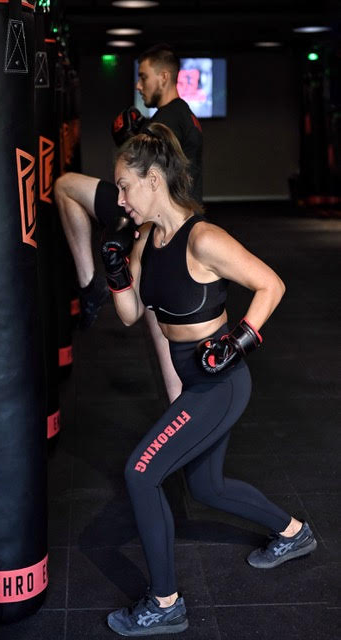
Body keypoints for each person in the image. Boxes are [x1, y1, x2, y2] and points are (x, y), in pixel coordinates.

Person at [100, 122, 317, 637]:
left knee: (140, 473)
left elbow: (270, 285)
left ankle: (164, 602)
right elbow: (130, 314)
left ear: (154, 180)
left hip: (220, 385)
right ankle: (293, 532)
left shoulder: (203, 238)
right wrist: (117, 275)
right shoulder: (146, 240)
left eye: (125, 186)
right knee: (208, 486)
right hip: (197, 385)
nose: (121, 199)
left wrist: (239, 341)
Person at [54, 44, 203, 403]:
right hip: (171, 231)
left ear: (164, 77)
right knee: (164, 336)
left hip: (157, 228)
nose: (139, 84)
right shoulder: (183, 117)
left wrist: (124, 215)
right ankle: (184, 419)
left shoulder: (166, 121)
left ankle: (89, 283)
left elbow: (140, 179)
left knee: (65, 186)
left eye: (144, 76)